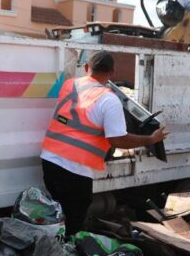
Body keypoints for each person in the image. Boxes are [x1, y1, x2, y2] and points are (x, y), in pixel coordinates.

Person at [40, 50, 169, 235]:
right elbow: (117, 139)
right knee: (73, 226)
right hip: (75, 171)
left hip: (50, 161)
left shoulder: (69, 85)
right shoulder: (109, 99)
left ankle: (53, 253)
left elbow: (77, 120)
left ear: (86, 68)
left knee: (57, 219)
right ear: (112, 72)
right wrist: (151, 139)